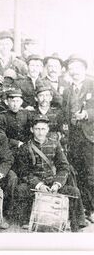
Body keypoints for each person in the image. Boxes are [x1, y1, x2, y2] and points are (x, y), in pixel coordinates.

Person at [14, 114, 87, 231]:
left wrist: (57, 184)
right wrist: (39, 185)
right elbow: (24, 172)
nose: (40, 132)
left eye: (43, 129)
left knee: (74, 191)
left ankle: (77, 223)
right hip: (35, 185)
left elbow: (64, 166)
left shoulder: (55, 144)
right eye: (37, 129)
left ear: (47, 129)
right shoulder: (24, 147)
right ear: (31, 129)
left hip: (52, 184)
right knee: (21, 189)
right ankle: (26, 220)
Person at [62, 54, 94, 223]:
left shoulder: (92, 84)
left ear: (84, 69)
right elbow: (65, 113)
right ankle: (83, 208)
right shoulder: (67, 90)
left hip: (90, 136)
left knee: (91, 173)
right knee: (77, 172)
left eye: (77, 67)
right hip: (73, 138)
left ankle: (93, 209)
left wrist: (86, 114)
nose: (74, 71)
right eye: (71, 68)